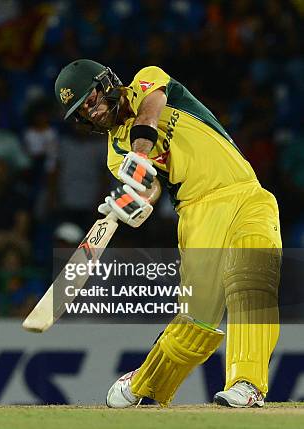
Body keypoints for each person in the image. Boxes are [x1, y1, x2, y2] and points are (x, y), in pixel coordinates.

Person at [54, 60, 281, 408]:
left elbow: (149, 113)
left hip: (249, 193)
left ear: (107, 82)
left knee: (254, 287)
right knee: (198, 324)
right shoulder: (117, 156)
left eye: (92, 98)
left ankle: (247, 384)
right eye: (82, 110)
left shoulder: (148, 80)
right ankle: (146, 383)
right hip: (199, 211)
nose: (92, 111)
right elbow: (152, 191)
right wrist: (130, 202)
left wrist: (141, 154)